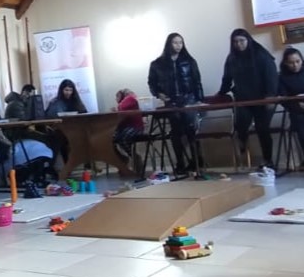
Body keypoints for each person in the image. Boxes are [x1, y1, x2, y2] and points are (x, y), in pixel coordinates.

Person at [217, 28, 278, 170]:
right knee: (241, 123)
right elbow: (227, 78)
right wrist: (221, 93)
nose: (239, 44)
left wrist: (270, 96)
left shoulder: (261, 55)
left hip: (263, 99)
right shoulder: (232, 58)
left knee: (262, 128)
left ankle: (268, 160)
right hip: (244, 99)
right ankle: (242, 143)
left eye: (242, 41)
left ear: (248, 40)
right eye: (235, 42)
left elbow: (271, 77)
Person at [148, 33, 204, 175]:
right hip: (171, 101)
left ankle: (196, 161)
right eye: (175, 42)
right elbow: (152, 83)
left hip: (189, 99)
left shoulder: (189, 61)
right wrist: (158, 94)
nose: (178, 45)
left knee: (191, 129)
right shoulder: (157, 64)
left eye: (181, 42)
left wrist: (199, 100)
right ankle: (180, 163)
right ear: (169, 44)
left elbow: (197, 81)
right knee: (175, 132)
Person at [112, 88, 145, 173]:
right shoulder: (125, 103)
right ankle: (122, 158)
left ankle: (134, 157)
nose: (116, 99)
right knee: (108, 139)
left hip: (135, 127)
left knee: (123, 138)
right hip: (124, 128)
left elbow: (122, 107)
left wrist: (117, 109)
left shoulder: (130, 99)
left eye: (117, 96)